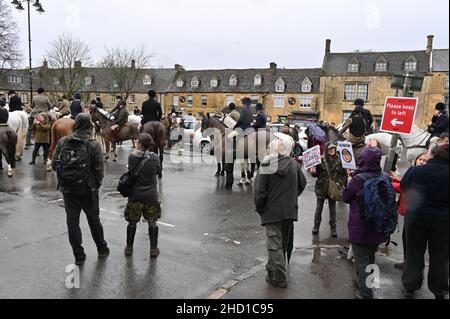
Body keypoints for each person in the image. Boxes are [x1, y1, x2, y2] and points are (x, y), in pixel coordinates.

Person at [52, 113, 109, 266]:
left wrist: (64, 179)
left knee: (72, 222)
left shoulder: (63, 141)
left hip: (68, 188)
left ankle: (78, 255)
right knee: (94, 220)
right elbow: (99, 169)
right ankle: (102, 248)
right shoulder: (94, 144)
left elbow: (54, 164)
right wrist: (95, 185)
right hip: (88, 189)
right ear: (90, 126)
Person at [254, 139, 307, 288]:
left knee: (274, 245)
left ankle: (279, 278)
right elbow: (302, 184)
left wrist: (259, 208)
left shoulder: (266, 165)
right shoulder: (293, 164)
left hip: (272, 211)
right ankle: (272, 271)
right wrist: (291, 197)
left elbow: (259, 193)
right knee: (281, 243)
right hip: (289, 210)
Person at [401, 144, 449, 299]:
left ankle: (410, 286)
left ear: (433, 155)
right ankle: (439, 290)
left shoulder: (416, 171)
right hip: (444, 221)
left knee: (414, 253)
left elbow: (404, 187)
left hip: (416, 219)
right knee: (440, 256)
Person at [342, 147, 389, 299]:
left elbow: (345, 197)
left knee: (361, 261)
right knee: (371, 257)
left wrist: (350, 179)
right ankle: (368, 284)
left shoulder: (358, 179)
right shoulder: (384, 176)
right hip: (379, 225)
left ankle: (366, 294)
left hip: (360, 226)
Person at [123, 133, 162, 257]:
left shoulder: (132, 157)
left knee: (132, 222)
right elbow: (158, 171)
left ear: (139, 144)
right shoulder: (155, 157)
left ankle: (129, 248)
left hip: (135, 196)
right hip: (151, 195)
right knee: (152, 221)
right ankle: (153, 249)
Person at [390, 152, 428, 270]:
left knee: (412, 240)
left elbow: (405, 188)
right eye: (420, 159)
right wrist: (397, 179)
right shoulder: (413, 171)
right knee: (406, 238)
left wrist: (389, 184)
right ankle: (407, 262)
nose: (422, 161)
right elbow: (405, 184)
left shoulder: (425, 175)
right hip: (410, 211)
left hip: (416, 213)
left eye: (424, 160)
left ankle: (412, 266)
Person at [310, 142, 347, 237]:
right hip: (321, 187)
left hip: (333, 188)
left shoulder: (340, 160)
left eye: (333, 148)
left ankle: (333, 228)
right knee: (318, 209)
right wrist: (313, 172)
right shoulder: (320, 159)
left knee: (332, 209)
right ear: (326, 150)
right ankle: (316, 226)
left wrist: (339, 183)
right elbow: (316, 174)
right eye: (330, 149)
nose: (332, 150)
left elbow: (343, 175)